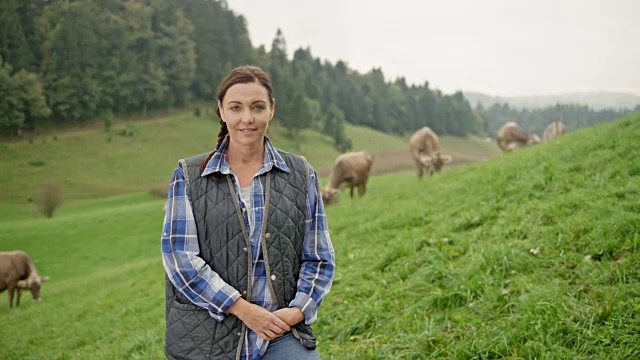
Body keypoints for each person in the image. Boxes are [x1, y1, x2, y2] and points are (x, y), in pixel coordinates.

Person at [161, 65, 335, 360]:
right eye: (236, 107)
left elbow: (318, 256)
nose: (247, 118)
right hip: (208, 335)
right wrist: (242, 309)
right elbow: (180, 259)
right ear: (221, 111)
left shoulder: (301, 173)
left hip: (278, 331)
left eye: (257, 107)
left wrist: (297, 312)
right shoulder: (188, 175)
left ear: (271, 110)